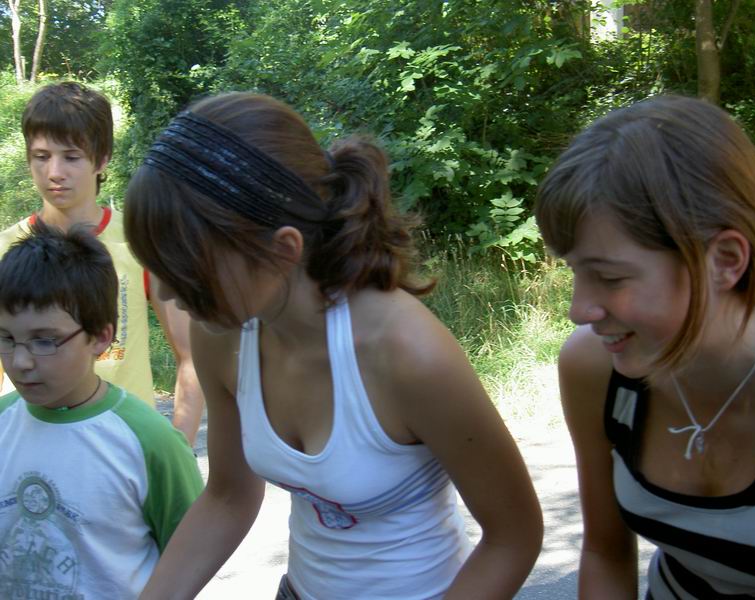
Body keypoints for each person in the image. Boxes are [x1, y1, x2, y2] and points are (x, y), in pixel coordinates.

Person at [123, 92, 543, 599]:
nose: (166, 293)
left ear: (283, 249)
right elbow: (228, 497)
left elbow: (513, 536)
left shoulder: (406, 353)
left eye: (185, 270)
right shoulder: (221, 337)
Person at [534, 95, 755, 599]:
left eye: (610, 277)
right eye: (575, 272)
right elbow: (605, 552)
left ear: (725, 260)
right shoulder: (595, 368)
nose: (579, 310)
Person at [0, 221, 203, 599]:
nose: (21, 361)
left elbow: (192, 557)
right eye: (7, 338)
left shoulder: (151, 442)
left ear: (100, 337)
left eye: (44, 341)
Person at [0, 81, 205, 445]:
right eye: (42, 156)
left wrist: (177, 449)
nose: (55, 172)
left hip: (121, 444)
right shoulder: (6, 249)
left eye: (71, 157)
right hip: (24, 445)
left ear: (102, 158)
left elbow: (191, 356)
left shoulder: (141, 241)